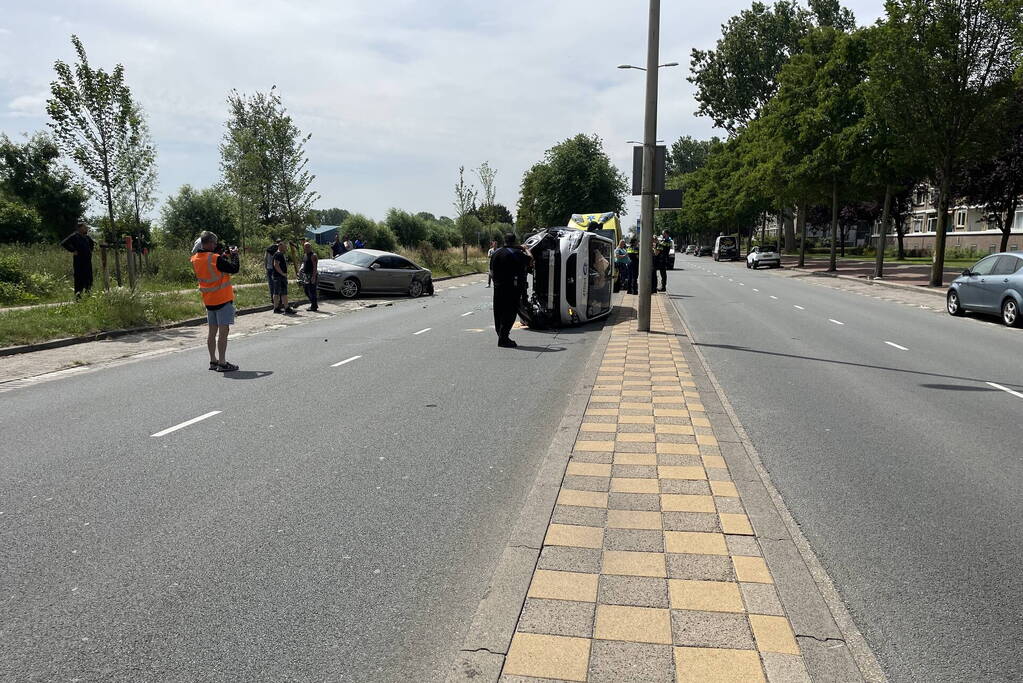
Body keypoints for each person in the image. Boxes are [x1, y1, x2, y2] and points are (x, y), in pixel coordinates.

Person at [191, 230, 240, 372]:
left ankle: (213, 361)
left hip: (209, 300)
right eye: (214, 243)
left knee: (212, 332)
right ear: (210, 243)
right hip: (222, 299)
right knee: (223, 332)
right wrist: (235, 255)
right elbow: (234, 268)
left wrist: (224, 256)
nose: (215, 245)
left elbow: (213, 266)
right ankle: (222, 363)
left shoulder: (195, 259)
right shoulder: (215, 258)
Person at [489, 232, 530, 348]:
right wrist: (525, 249)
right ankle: (504, 338)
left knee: (498, 312)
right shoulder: (516, 253)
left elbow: (491, 272)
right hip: (512, 288)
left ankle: (501, 335)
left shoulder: (496, 253)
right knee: (510, 312)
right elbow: (531, 260)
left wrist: (496, 282)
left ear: (504, 240)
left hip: (498, 287)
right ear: (514, 241)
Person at [60, 219, 95, 297]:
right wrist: (73, 250)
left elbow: (92, 244)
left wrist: (90, 251)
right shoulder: (75, 236)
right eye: (84, 227)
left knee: (88, 277)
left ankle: (88, 294)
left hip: (87, 261)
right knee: (79, 277)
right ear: (80, 228)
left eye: (86, 227)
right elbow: (64, 243)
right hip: (79, 261)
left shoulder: (87, 237)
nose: (86, 228)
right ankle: (78, 296)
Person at [272, 241, 296, 315]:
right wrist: (282, 273)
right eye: (285, 247)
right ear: (280, 246)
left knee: (280, 292)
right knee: (281, 292)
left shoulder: (279, 254)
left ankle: (278, 308)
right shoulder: (278, 254)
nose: (286, 248)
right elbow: (276, 264)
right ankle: (285, 308)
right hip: (279, 277)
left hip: (279, 276)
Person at [301, 241, 319, 311]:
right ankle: (313, 304)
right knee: (306, 290)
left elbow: (315, 267)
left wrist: (313, 277)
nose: (307, 248)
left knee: (312, 291)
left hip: (312, 275)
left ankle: (314, 306)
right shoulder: (305, 255)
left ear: (310, 247)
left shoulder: (313, 255)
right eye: (305, 247)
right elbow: (304, 264)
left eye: (308, 247)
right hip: (306, 275)